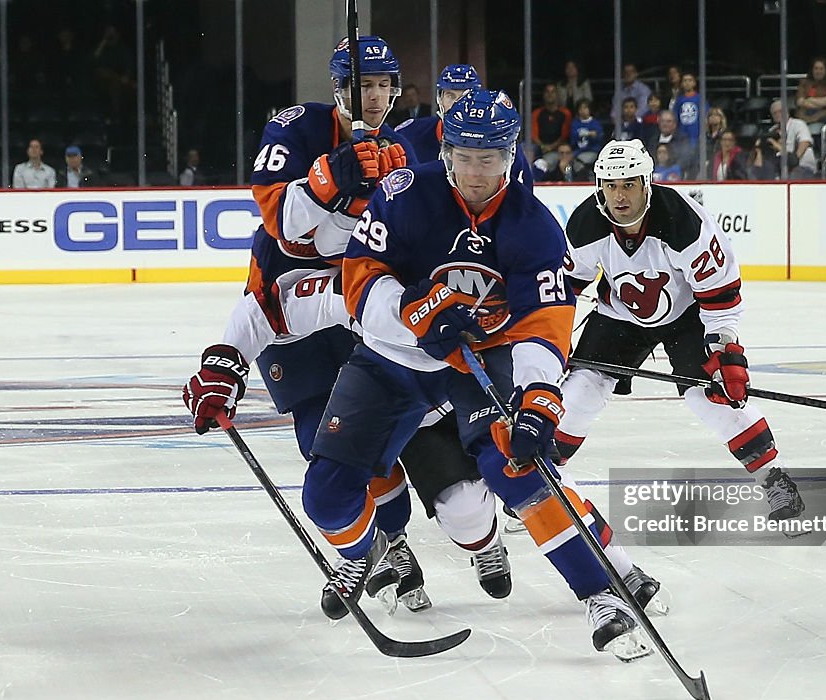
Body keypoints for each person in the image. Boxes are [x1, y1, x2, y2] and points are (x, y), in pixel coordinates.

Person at [194, 91, 670, 661]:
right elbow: (360, 279)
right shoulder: (403, 197)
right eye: (465, 155)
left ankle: (601, 591)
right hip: (391, 361)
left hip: (477, 361)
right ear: (444, 150)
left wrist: (540, 395)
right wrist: (415, 313)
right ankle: (367, 551)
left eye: (490, 157)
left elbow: (544, 326)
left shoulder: (536, 228)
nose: (476, 171)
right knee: (326, 496)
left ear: (510, 155)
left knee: (514, 466)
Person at [183, 38, 512, 618]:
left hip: (378, 319)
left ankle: (477, 534)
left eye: (387, 84)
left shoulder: (405, 154)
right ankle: (385, 551)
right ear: (339, 85)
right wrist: (222, 366)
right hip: (319, 329)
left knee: (454, 490)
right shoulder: (296, 132)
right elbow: (278, 244)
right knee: (332, 455)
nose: (378, 96)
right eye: (367, 84)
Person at [552, 140, 808, 535]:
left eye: (629, 185)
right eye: (610, 185)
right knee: (582, 389)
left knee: (711, 396)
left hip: (687, 317)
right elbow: (564, 290)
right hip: (619, 314)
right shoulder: (586, 224)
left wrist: (726, 352)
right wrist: (552, 342)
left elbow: (721, 296)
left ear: (647, 183)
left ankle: (775, 479)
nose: (619, 196)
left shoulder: (682, 221)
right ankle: (544, 485)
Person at [395, 64, 532, 188]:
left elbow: (522, 197)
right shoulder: (409, 134)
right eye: (450, 95)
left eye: (466, 96)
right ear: (439, 99)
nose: (457, 104)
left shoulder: (500, 140)